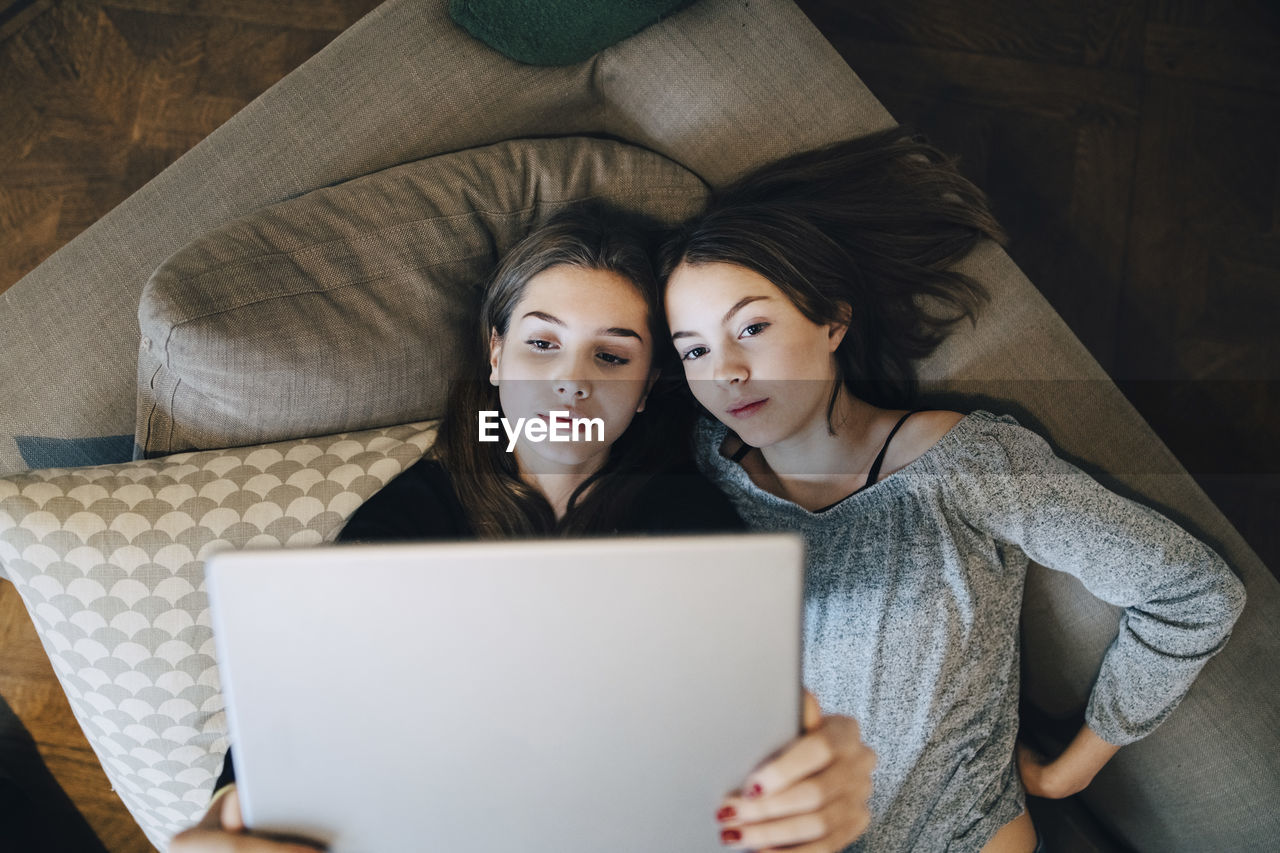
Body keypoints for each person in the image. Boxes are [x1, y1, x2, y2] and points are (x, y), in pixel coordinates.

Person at [172, 203, 877, 852]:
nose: (573, 381)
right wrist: (232, 810)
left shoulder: (695, 522)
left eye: (611, 355)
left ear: (646, 385)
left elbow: (751, 731)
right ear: (495, 353)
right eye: (544, 344)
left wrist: (815, 777)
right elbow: (298, 721)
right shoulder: (407, 521)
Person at [659, 128, 1247, 853]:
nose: (727, 372)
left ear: (833, 320)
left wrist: (1070, 770)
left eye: (751, 326)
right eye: (694, 349)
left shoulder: (960, 464)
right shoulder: (710, 462)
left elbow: (1193, 594)